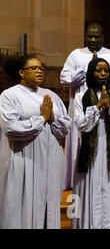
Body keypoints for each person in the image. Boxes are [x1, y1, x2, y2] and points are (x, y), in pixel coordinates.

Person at [0, 56, 70, 228]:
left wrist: (52, 119)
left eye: (41, 68)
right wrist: (41, 119)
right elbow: (11, 128)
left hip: (50, 161)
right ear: (21, 72)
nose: (39, 71)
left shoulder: (51, 95)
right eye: (34, 68)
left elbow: (65, 127)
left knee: (48, 206)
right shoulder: (10, 95)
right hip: (24, 160)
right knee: (23, 205)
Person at [61, 22, 110, 190]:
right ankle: (77, 180)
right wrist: (88, 69)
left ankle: (105, 179)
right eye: (89, 36)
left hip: (107, 106)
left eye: (96, 36)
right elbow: (64, 78)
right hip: (81, 105)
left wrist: (102, 71)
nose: (92, 39)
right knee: (79, 141)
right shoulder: (76, 54)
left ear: (102, 37)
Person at [71, 58, 110, 229]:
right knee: (92, 188)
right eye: (98, 70)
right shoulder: (80, 96)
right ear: (90, 72)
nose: (103, 74)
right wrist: (97, 106)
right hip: (91, 153)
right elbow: (81, 124)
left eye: (106, 70)